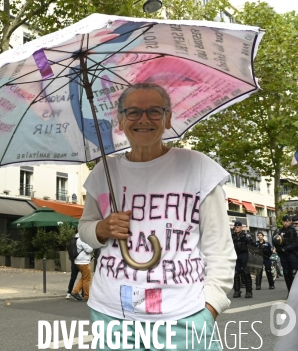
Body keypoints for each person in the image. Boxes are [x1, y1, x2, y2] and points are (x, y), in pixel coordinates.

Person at [78, 83, 235, 351]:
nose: (143, 119)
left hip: (185, 316)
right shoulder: (103, 172)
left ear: (168, 118)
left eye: (154, 111)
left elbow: (219, 248)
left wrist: (211, 306)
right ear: (120, 120)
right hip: (113, 316)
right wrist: (102, 228)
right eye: (133, 112)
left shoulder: (198, 168)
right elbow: (85, 230)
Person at [273, 216, 298, 292]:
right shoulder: (279, 231)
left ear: (290, 222)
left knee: (293, 273)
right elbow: (275, 241)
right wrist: (279, 249)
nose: (285, 223)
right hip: (283, 255)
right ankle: (290, 291)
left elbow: (296, 243)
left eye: (287, 221)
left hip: (292, 254)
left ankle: (295, 293)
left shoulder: (294, 231)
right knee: (286, 273)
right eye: (284, 221)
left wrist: (287, 248)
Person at [231, 221, 253, 298]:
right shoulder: (232, 236)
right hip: (236, 255)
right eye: (235, 227)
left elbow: (251, 247)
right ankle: (237, 291)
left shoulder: (246, 236)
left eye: (238, 227)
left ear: (241, 227)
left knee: (246, 273)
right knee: (236, 273)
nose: (236, 229)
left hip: (244, 255)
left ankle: (249, 291)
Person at [70, 233, 93, 301]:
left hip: (79, 261)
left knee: (84, 278)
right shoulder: (82, 240)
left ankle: (75, 291)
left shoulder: (77, 239)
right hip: (83, 262)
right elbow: (89, 249)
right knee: (87, 279)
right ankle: (86, 296)